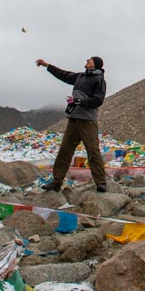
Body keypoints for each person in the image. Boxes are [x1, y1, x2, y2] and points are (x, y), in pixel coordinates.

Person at [35, 56, 108, 192]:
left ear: (95, 65)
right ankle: (56, 182)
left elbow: (98, 100)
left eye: (90, 60)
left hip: (87, 121)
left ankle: (101, 182)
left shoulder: (99, 80)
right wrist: (47, 65)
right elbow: (63, 74)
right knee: (65, 150)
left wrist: (79, 101)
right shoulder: (80, 77)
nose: (87, 60)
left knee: (93, 151)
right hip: (73, 119)